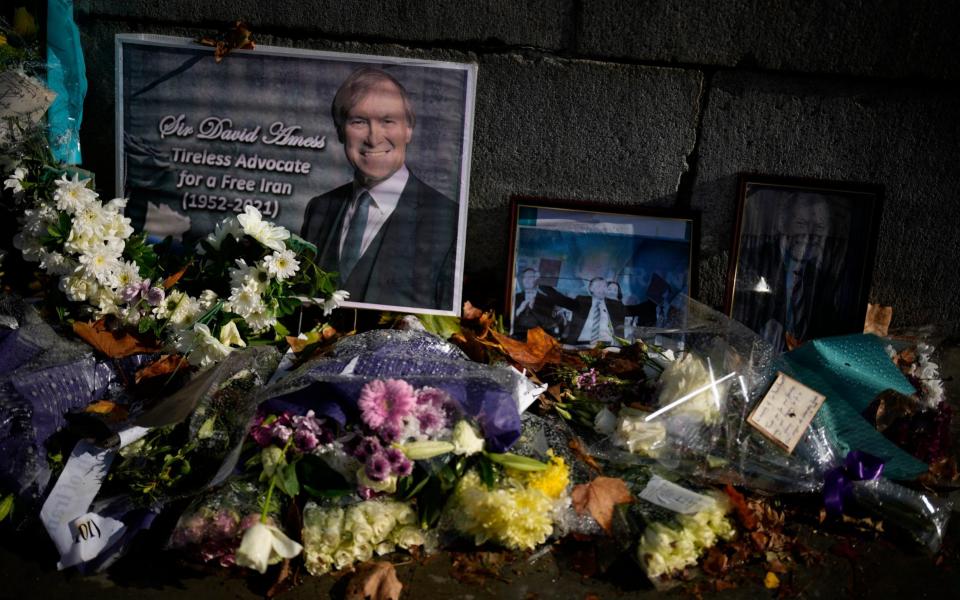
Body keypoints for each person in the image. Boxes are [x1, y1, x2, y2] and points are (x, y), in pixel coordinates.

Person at [300, 67, 457, 310]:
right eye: (359, 121)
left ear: (409, 129)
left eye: (387, 121)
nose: (374, 138)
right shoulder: (319, 209)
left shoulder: (449, 222)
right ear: (341, 131)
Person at [732, 196, 848, 352]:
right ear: (782, 224)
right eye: (801, 224)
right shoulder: (752, 261)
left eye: (819, 227)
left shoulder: (825, 280)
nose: (810, 235)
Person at [540, 277, 657, 346]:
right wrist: (542, 284)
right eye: (598, 286)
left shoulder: (615, 305)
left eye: (604, 286)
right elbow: (561, 300)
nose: (602, 289)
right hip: (581, 344)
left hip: (606, 345)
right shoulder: (582, 302)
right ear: (591, 289)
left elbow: (636, 310)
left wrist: (656, 297)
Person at [512, 268, 560, 339]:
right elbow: (508, 322)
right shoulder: (515, 297)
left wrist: (533, 309)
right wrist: (519, 310)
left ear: (536, 280)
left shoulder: (545, 300)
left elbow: (549, 324)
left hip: (538, 339)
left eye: (530, 277)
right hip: (516, 338)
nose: (527, 280)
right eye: (524, 277)